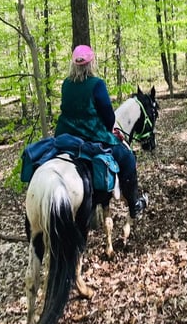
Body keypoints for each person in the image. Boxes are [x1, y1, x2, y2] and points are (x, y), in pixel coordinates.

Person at [55, 45, 149, 218]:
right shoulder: (97, 84)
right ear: (91, 64)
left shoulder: (66, 84)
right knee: (127, 157)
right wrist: (108, 129)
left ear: (74, 64)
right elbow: (108, 116)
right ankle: (134, 203)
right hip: (91, 136)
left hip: (65, 136)